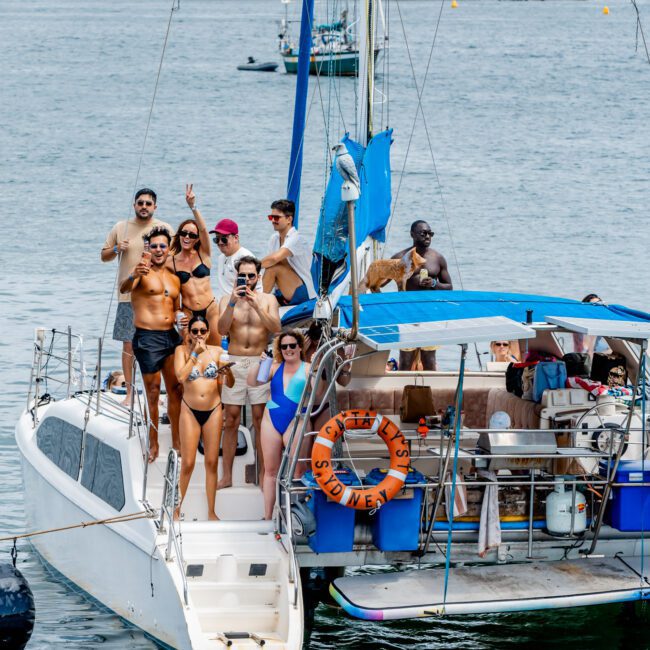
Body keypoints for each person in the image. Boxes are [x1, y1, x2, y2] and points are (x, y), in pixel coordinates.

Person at [101, 188, 173, 404]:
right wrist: (115, 248)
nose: (144, 206)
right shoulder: (120, 227)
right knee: (128, 346)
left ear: (155, 207)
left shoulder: (164, 228)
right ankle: (131, 393)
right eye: (140, 203)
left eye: (148, 203)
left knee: (156, 346)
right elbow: (103, 256)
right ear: (134, 205)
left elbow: (174, 257)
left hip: (156, 298)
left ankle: (155, 393)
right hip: (128, 297)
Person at [217, 255, 281, 488]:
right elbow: (221, 329)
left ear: (258, 277)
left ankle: (264, 475)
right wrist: (233, 303)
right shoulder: (226, 299)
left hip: (260, 360)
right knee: (230, 419)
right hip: (234, 361)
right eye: (242, 275)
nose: (246, 279)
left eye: (251, 275)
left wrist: (256, 305)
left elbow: (276, 328)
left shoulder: (268, 299)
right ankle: (227, 477)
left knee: (259, 419)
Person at [120, 226, 182, 462]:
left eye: (162, 246)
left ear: (169, 249)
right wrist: (134, 274)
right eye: (154, 246)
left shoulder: (174, 278)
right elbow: (124, 288)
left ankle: (176, 440)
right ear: (149, 248)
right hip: (147, 338)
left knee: (176, 390)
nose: (158, 250)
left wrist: (180, 318)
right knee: (153, 392)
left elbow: (176, 308)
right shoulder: (141, 272)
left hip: (171, 336)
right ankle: (153, 441)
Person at [174, 315, 235, 520]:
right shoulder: (181, 351)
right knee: (188, 462)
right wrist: (194, 355)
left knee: (211, 462)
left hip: (214, 409)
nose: (199, 335)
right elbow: (181, 377)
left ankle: (211, 511)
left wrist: (229, 373)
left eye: (202, 331)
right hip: (190, 410)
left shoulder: (217, 352)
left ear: (208, 333)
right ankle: (176, 508)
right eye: (195, 331)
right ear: (189, 333)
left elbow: (228, 384)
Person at [248, 330, 310, 520]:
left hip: (296, 421)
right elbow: (253, 382)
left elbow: (318, 393)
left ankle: (295, 517)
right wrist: (259, 363)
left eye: (292, 345)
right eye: (284, 346)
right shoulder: (273, 367)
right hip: (271, 420)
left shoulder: (309, 367)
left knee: (298, 471)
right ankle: (268, 517)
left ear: (300, 347)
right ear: (280, 349)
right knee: (270, 471)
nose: (289, 349)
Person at [392, 220, 453, 371]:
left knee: (429, 360)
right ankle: (403, 393)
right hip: (407, 314)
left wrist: (434, 284)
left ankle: (429, 393)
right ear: (412, 234)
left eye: (430, 233)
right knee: (405, 361)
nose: (428, 236)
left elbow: (449, 287)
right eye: (423, 233)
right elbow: (379, 281)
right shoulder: (399, 258)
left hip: (429, 314)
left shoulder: (437, 258)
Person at [168, 185, 219, 343]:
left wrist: (193, 207)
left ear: (197, 238)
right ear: (179, 235)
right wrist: (176, 313)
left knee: (215, 350)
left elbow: (204, 230)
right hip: (188, 311)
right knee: (188, 351)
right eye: (184, 233)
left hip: (210, 309)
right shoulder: (171, 262)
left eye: (192, 234)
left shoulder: (203, 254)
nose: (187, 237)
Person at [261, 199, 316, 305]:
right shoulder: (274, 239)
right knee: (266, 269)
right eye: (271, 217)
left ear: (289, 219)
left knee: (274, 267)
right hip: (282, 291)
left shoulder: (297, 239)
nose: (273, 220)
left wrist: (254, 265)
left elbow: (274, 259)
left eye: (276, 217)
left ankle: (257, 304)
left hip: (304, 292)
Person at [210, 218, 255, 299]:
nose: (220, 242)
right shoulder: (221, 257)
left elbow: (251, 292)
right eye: (217, 239)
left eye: (224, 238)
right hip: (224, 304)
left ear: (236, 238)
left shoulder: (245, 258)